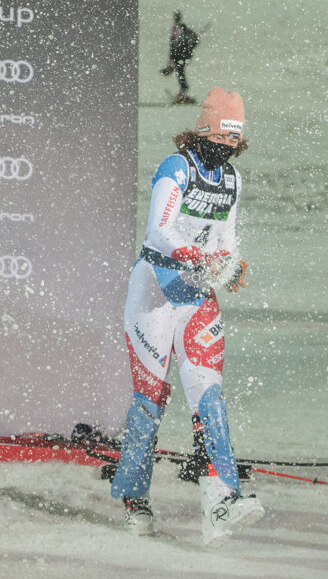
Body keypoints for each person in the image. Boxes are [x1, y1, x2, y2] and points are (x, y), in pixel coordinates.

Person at [111, 87, 264, 547]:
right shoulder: (176, 167)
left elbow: (227, 239)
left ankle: (221, 502)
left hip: (196, 295)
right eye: (219, 141)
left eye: (232, 144)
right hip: (154, 290)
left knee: (210, 397)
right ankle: (134, 497)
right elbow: (158, 230)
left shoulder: (232, 180)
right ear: (202, 134)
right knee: (151, 398)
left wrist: (229, 265)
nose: (225, 151)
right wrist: (196, 255)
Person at [160, 11, 200, 104]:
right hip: (179, 55)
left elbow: (194, 39)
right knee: (179, 72)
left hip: (181, 55)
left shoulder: (181, 29)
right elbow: (173, 45)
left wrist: (187, 48)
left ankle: (183, 92)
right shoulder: (177, 29)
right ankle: (183, 92)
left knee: (180, 72)